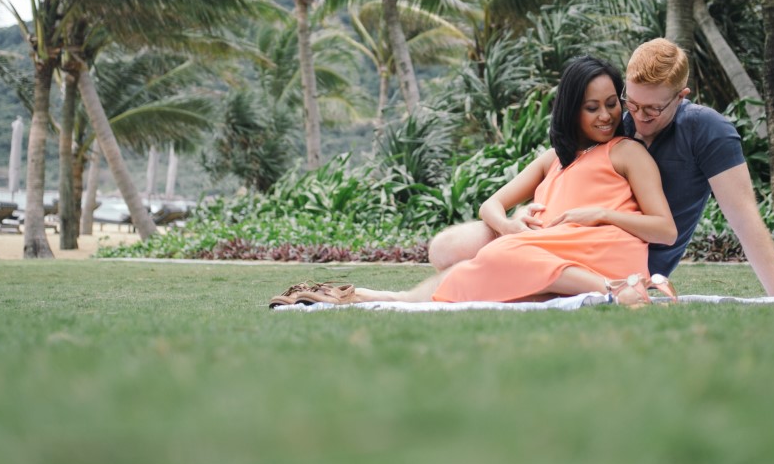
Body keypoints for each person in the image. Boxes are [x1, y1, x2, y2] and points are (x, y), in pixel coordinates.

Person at [271, 56, 678, 306]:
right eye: (592, 107)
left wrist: (600, 214)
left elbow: (665, 229)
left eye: (611, 104)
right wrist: (509, 226)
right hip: (548, 252)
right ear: (571, 110)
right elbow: (491, 206)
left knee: (501, 259)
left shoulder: (627, 152)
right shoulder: (553, 159)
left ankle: (616, 287)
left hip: (603, 249)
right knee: (484, 267)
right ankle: (359, 297)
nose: (606, 115)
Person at [427, 39, 774, 297]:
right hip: (566, 237)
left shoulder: (708, 131)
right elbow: (562, 171)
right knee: (448, 249)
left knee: (502, 265)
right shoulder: (616, 121)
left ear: (682, 97)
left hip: (625, 251)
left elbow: (745, 219)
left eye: (653, 109)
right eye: (631, 103)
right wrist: (516, 219)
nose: (638, 117)